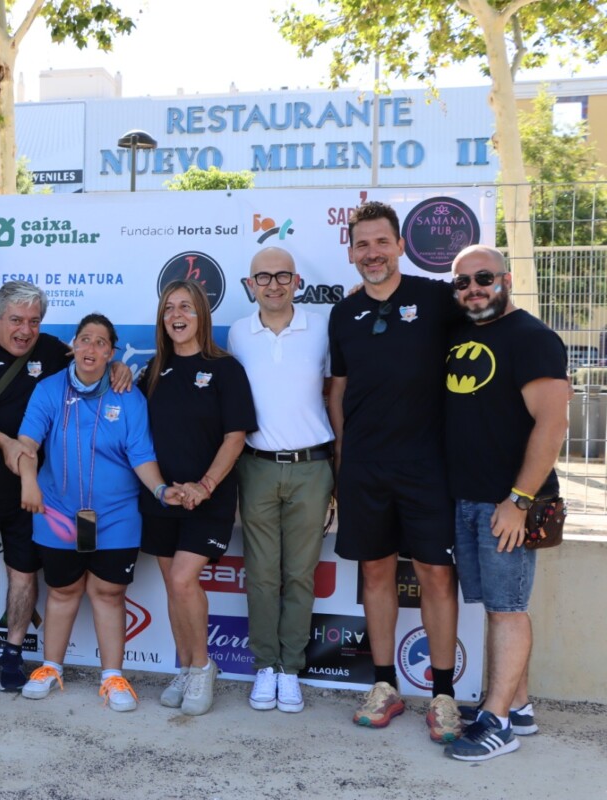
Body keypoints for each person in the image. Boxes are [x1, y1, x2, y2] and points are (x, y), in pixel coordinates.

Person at [0, 281, 134, 694]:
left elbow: (91, 360)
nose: (25, 330)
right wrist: (6, 442)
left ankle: (13, 655)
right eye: (15, 320)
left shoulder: (49, 350)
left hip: (35, 493)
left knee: (24, 574)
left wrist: (118, 368)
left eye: (33, 321)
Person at [327, 201, 464, 742]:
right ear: (351, 252)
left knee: (435, 575)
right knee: (376, 574)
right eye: (362, 245)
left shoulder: (436, 298)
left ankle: (444, 694)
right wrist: (344, 458)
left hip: (428, 464)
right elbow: (337, 391)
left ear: (400, 245)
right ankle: (384, 685)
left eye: (381, 242)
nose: (372, 253)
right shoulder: (344, 313)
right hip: (365, 466)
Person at [16, 313, 180, 712]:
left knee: (108, 593)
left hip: (116, 514)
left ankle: (112, 676)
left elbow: (141, 454)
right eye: (85, 340)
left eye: (101, 343)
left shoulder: (128, 396)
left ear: (112, 352)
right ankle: (51, 668)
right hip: (57, 512)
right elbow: (26, 442)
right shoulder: (49, 389)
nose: (92, 348)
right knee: (62, 590)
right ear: (74, 346)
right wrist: (28, 482)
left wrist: (159, 488)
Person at [442, 245, 567, 761]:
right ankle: (517, 706)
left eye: (484, 278)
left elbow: (553, 424)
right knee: (495, 609)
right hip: (469, 501)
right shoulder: (461, 332)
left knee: (508, 610)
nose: (473, 288)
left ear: (506, 279)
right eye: (463, 282)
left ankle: (496, 724)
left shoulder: (533, 339)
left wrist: (518, 500)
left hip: (508, 505)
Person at [228, 247, 334, 714]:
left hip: (313, 468)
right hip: (257, 467)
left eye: (282, 275)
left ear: (297, 281)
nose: (273, 284)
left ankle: (291, 669)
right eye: (263, 277)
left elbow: (335, 395)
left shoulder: (322, 329)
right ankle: (265, 667)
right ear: (250, 284)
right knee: (262, 576)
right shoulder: (237, 332)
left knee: (299, 576)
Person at [141, 280, 255, 716]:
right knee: (173, 584)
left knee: (185, 579)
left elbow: (235, 437)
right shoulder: (153, 370)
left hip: (208, 498)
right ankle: (186, 667)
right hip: (163, 498)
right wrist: (165, 489)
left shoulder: (226, 368)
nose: (177, 315)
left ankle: (205, 666)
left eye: (185, 307)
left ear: (201, 315)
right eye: (169, 308)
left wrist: (203, 486)